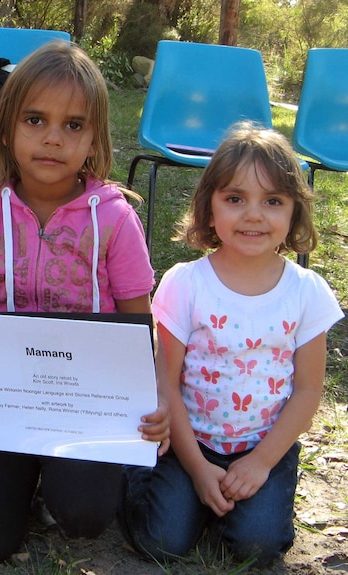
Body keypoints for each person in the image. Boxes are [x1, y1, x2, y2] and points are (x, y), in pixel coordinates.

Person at [0, 41, 170, 562]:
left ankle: (90, 476)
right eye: (35, 119)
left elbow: (137, 325)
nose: (53, 138)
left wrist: (154, 400)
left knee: (84, 517)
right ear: (8, 126)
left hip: (86, 406)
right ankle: (23, 474)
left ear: (94, 137)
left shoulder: (115, 221)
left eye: (74, 125)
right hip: (8, 402)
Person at [119, 122, 343, 565]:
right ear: (209, 208)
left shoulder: (307, 292)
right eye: (235, 199)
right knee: (161, 542)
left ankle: (233, 503)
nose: (254, 215)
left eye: (273, 201)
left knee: (258, 547)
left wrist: (261, 462)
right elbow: (168, 382)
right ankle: (140, 475)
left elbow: (307, 391)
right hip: (189, 442)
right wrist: (199, 469)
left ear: (295, 212)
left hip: (265, 445)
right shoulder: (186, 283)